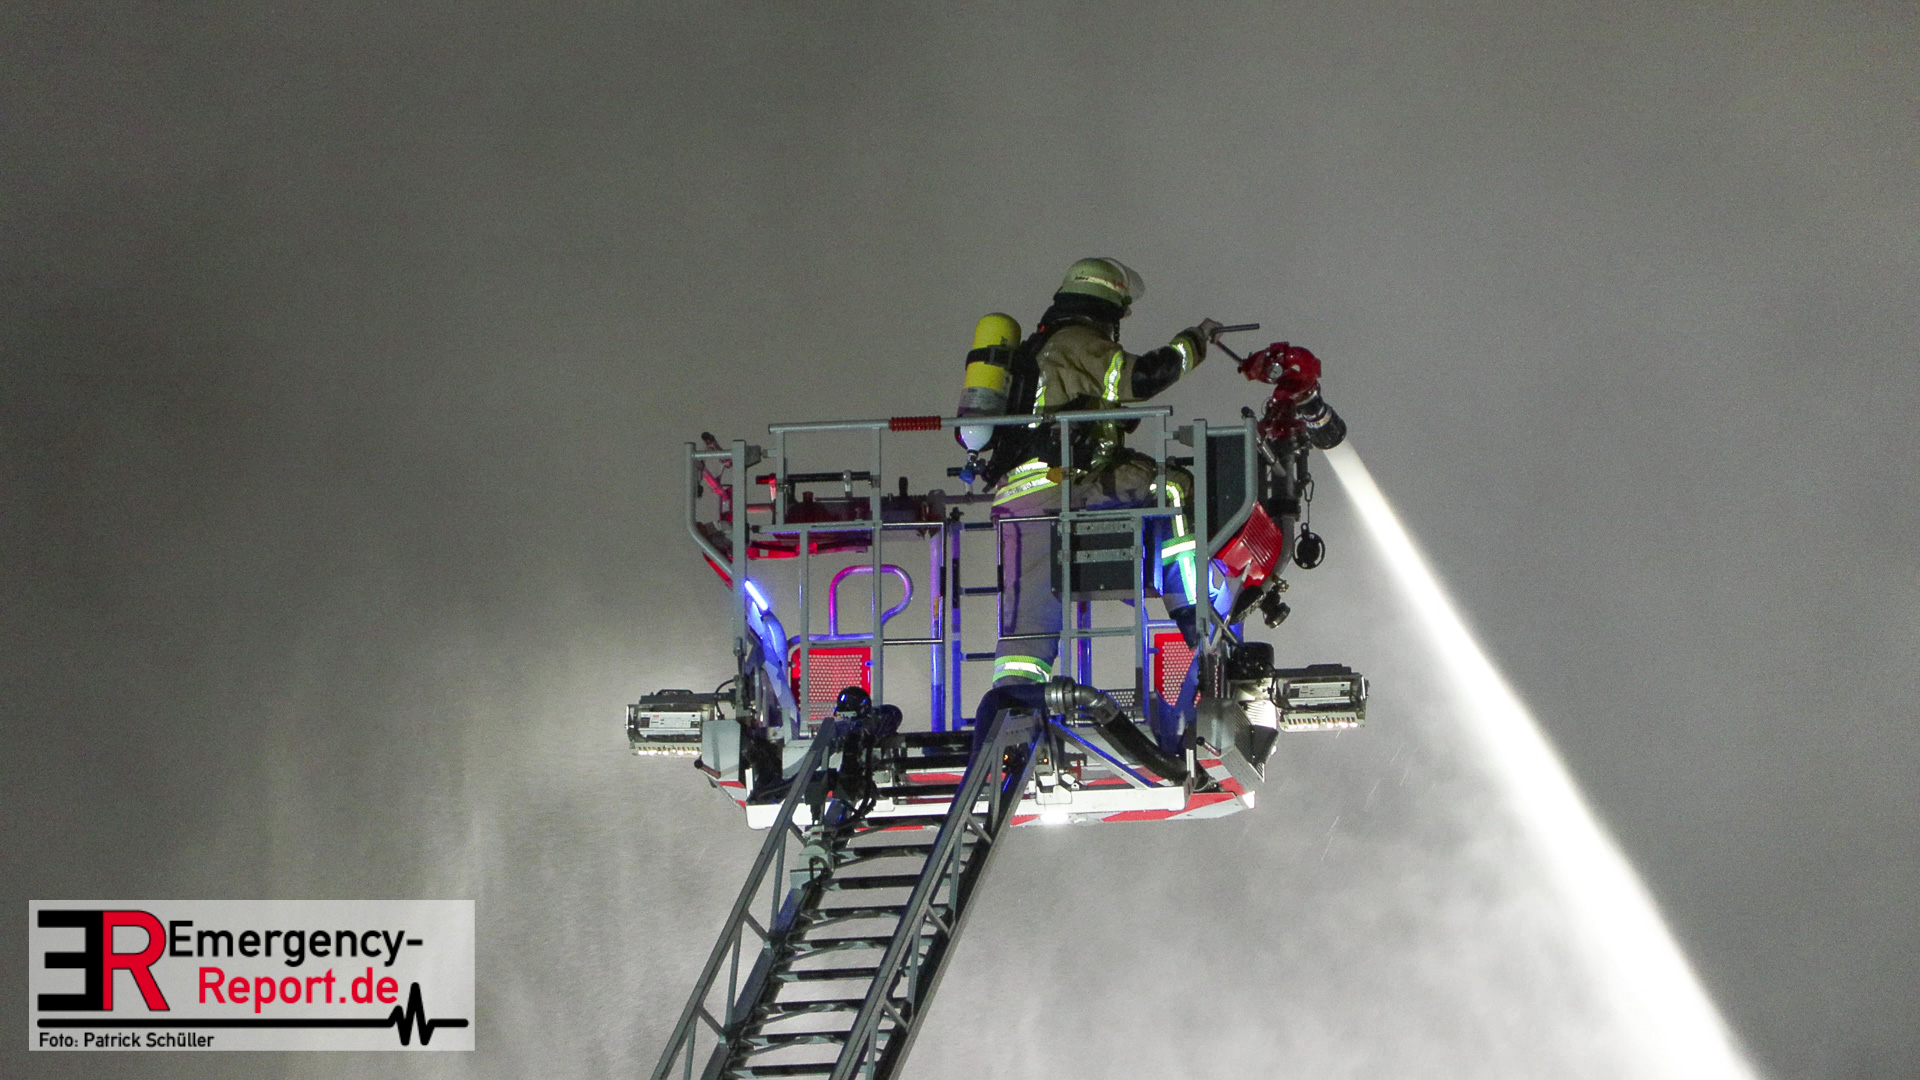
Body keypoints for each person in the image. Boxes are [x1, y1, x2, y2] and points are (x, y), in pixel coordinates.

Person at [979, 258, 1220, 689]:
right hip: (1066, 486)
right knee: (1172, 486)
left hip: (1021, 499)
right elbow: (1141, 378)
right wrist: (1195, 342)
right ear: (1108, 305)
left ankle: (1013, 705)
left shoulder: (1041, 347)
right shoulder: (1079, 342)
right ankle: (1195, 612)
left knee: (1026, 631)